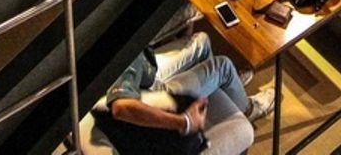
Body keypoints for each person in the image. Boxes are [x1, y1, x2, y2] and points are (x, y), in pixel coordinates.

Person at [92, 31, 274, 154]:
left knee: (202, 41)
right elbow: (120, 107)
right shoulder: (122, 61)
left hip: (146, 75)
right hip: (154, 95)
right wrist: (184, 122)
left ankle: (223, 87)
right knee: (223, 66)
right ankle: (249, 109)